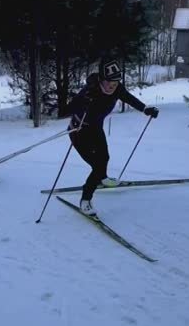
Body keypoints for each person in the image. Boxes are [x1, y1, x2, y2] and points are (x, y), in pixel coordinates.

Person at [66, 58, 159, 215]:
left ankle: (102, 178)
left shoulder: (116, 89)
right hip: (79, 131)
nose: (112, 87)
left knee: (105, 158)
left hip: (96, 129)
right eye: (109, 83)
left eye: (116, 83)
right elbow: (68, 109)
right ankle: (86, 200)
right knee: (97, 165)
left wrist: (145, 109)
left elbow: (128, 98)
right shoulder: (89, 91)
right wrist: (83, 103)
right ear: (101, 80)